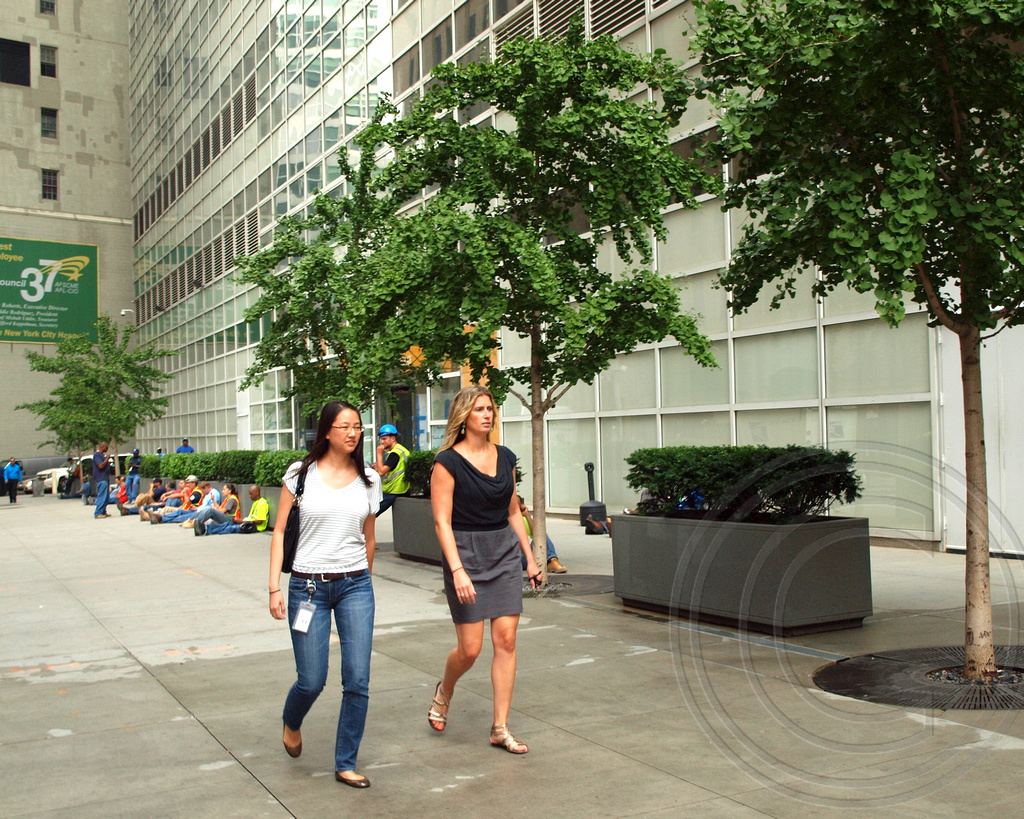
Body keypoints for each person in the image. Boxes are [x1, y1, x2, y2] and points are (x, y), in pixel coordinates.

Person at [269, 401, 381, 789]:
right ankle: (292, 720)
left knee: (358, 679)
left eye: (358, 427)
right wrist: (273, 587)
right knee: (312, 679)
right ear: (327, 431)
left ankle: (345, 761)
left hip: (355, 586)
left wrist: (363, 576)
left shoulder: (369, 478)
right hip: (307, 587)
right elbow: (281, 530)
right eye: (344, 426)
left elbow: (369, 537)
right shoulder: (300, 475)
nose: (353, 433)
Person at [427, 385, 542, 754]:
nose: (487, 414)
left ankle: (500, 727)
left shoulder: (505, 457)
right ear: (464, 416)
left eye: (490, 408)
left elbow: (513, 512)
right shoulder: (447, 462)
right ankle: (445, 689)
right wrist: (458, 570)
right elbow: (441, 523)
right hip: (464, 553)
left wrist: (530, 557)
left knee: (506, 640)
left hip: (503, 551)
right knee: (470, 649)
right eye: (479, 409)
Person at [518, 496, 568, 574]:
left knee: (541, 535)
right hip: (514, 559)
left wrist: (527, 515)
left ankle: (553, 561)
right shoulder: (505, 519)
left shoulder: (522, 519)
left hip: (525, 557)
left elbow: (535, 534)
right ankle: (551, 561)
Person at [197, 486, 270, 536]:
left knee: (230, 528)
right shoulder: (256, 502)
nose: (250, 496)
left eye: (251, 494)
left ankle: (206, 530)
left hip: (254, 527)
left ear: (257, 493)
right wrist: (240, 520)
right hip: (248, 523)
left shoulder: (263, 504)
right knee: (227, 525)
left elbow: (259, 521)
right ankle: (205, 528)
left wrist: (241, 521)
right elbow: (250, 517)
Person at [372, 424, 409, 516]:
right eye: (381, 439)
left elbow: (381, 472)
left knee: (373, 512)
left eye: (384, 439)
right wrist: (379, 467)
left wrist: (379, 454)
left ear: (393, 438)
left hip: (394, 490)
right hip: (399, 488)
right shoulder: (400, 450)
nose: (382, 442)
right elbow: (395, 472)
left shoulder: (395, 453)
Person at [92, 443, 113, 519]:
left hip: (105, 478)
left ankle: (103, 511)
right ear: (102, 447)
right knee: (102, 495)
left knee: (106, 496)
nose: (107, 449)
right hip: (101, 478)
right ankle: (98, 513)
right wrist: (106, 459)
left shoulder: (101, 455)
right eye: (106, 448)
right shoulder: (97, 455)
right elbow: (100, 465)